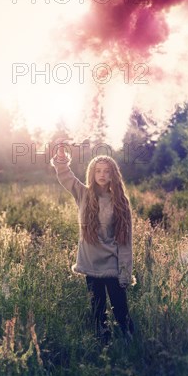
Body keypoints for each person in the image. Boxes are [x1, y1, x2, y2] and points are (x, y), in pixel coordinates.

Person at [50, 138, 135, 344]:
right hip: (89, 265)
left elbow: (125, 242)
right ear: (92, 173)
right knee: (97, 311)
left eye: (106, 171)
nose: (102, 175)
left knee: (120, 311)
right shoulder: (83, 194)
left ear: (113, 175)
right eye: (98, 171)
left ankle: (130, 344)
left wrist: (125, 272)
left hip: (112, 265)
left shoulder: (121, 203)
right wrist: (61, 158)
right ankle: (103, 346)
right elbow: (65, 176)